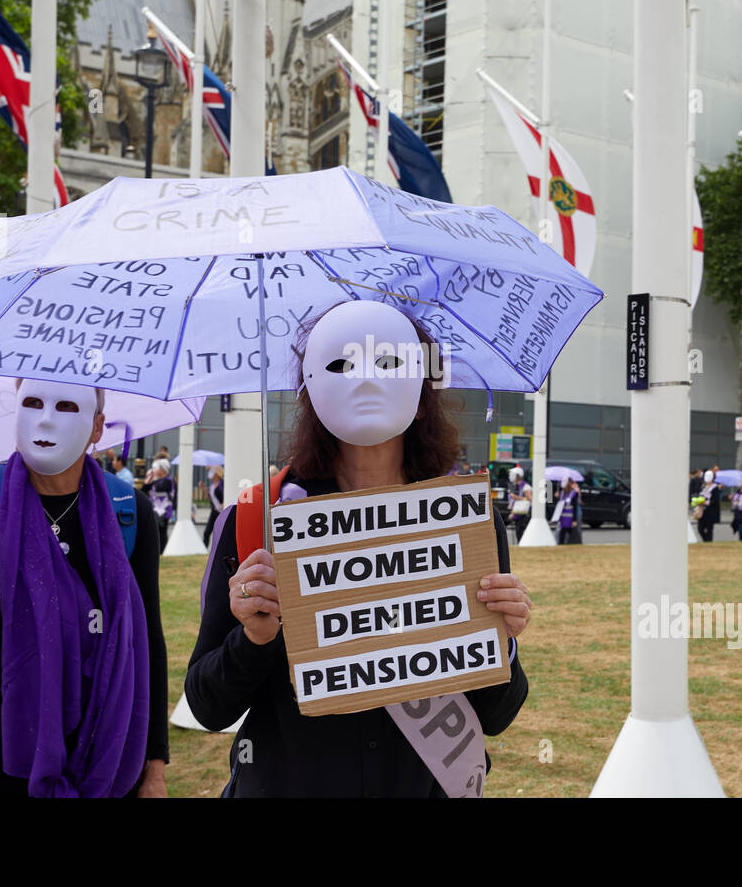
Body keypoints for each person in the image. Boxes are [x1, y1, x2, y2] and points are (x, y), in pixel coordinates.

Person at [185, 300, 529, 797]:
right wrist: (253, 641)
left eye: (388, 362)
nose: (366, 380)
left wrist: (503, 639)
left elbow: (497, 713)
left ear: (422, 383)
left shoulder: (466, 522)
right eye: (342, 363)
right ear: (308, 385)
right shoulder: (256, 520)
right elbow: (207, 706)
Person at [0, 380, 169, 797]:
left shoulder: (128, 513)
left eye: (67, 407)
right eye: (33, 402)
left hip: (94, 760)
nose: (45, 419)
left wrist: (155, 767)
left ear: (97, 427)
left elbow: (147, 641)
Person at [144, 458, 176, 553]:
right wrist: (148, 481)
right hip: (156, 510)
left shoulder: (168, 480)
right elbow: (144, 490)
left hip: (164, 511)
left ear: (163, 470)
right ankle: (157, 550)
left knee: (161, 531)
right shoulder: (157, 480)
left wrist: (152, 479)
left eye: (156, 468)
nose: (154, 470)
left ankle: (162, 550)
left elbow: (160, 488)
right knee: (155, 531)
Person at [506, 466, 531, 544]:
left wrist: (517, 497)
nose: (510, 476)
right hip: (517, 512)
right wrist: (512, 512)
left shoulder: (525, 486)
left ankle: (522, 544)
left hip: (524, 513)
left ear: (518, 476)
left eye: (512, 474)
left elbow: (529, 499)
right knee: (517, 531)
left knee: (521, 530)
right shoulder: (514, 486)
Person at [552, 477, 580, 544]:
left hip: (570, 518)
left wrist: (574, 520)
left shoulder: (574, 493)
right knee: (562, 532)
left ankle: (572, 543)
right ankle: (561, 544)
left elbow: (575, 507)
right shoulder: (561, 493)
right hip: (563, 518)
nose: (564, 488)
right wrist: (556, 498)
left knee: (570, 533)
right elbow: (558, 506)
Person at [202, 465, 225, 547]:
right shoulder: (212, 485)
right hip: (214, 511)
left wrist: (222, 505)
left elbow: (226, 497)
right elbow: (209, 497)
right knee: (207, 532)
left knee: (219, 533)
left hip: (221, 512)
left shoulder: (222, 484)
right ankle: (204, 549)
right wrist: (203, 488)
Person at [697, 470, 721, 542]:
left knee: (709, 528)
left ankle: (708, 541)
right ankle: (705, 540)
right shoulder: (704, 487)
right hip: (702, 511)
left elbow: (715, 500)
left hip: (711, 512)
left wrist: (706, 502)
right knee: (700, 528)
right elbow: (700, 496)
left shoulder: (715, 488)